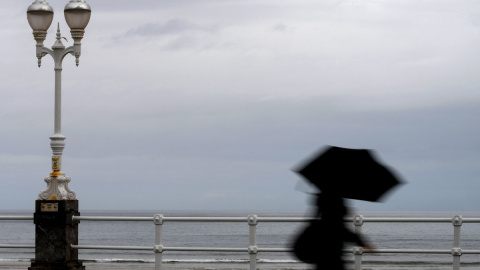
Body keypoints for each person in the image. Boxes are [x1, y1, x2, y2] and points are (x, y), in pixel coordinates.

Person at [293, 192, 371, 270]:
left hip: (321, 261)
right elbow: (345, 233)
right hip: (334, 261)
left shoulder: (317, 224)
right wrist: (362, 243)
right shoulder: (334, 223)